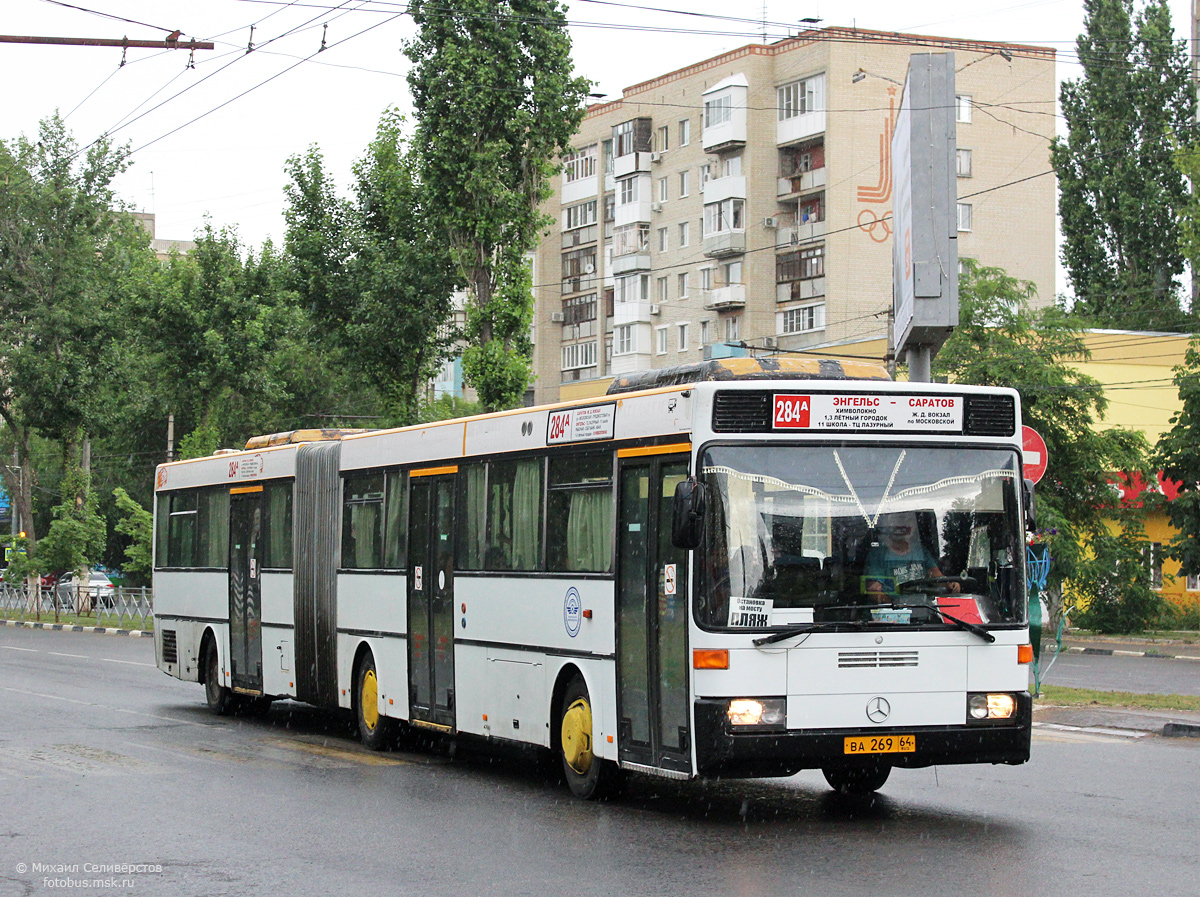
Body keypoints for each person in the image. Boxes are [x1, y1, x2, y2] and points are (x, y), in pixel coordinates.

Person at [864, 510, 958, 596]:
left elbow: (936, 576)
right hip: (891, 612)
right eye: (899, 521)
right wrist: (896, 606)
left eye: (909, 521)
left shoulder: (921, 550)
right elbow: (874, 590)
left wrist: (950, 584)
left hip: (923, 608)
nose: (904, 526)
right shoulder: (878, 554)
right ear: (890, 525)